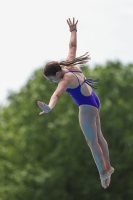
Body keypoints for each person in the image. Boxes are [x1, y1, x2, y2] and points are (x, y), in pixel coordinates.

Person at [37, 17, 114, 189]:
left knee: (92, 142)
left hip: (87, 108)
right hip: (94, 100)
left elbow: (56, 95)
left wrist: (49, 107)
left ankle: (104, 171)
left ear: (57, 75)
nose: (52, 83)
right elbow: (72, 46)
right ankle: (108, 166)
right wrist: (73, 30)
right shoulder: (70, 65)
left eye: (51, 80)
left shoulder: (64, 80)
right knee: (99, 137)